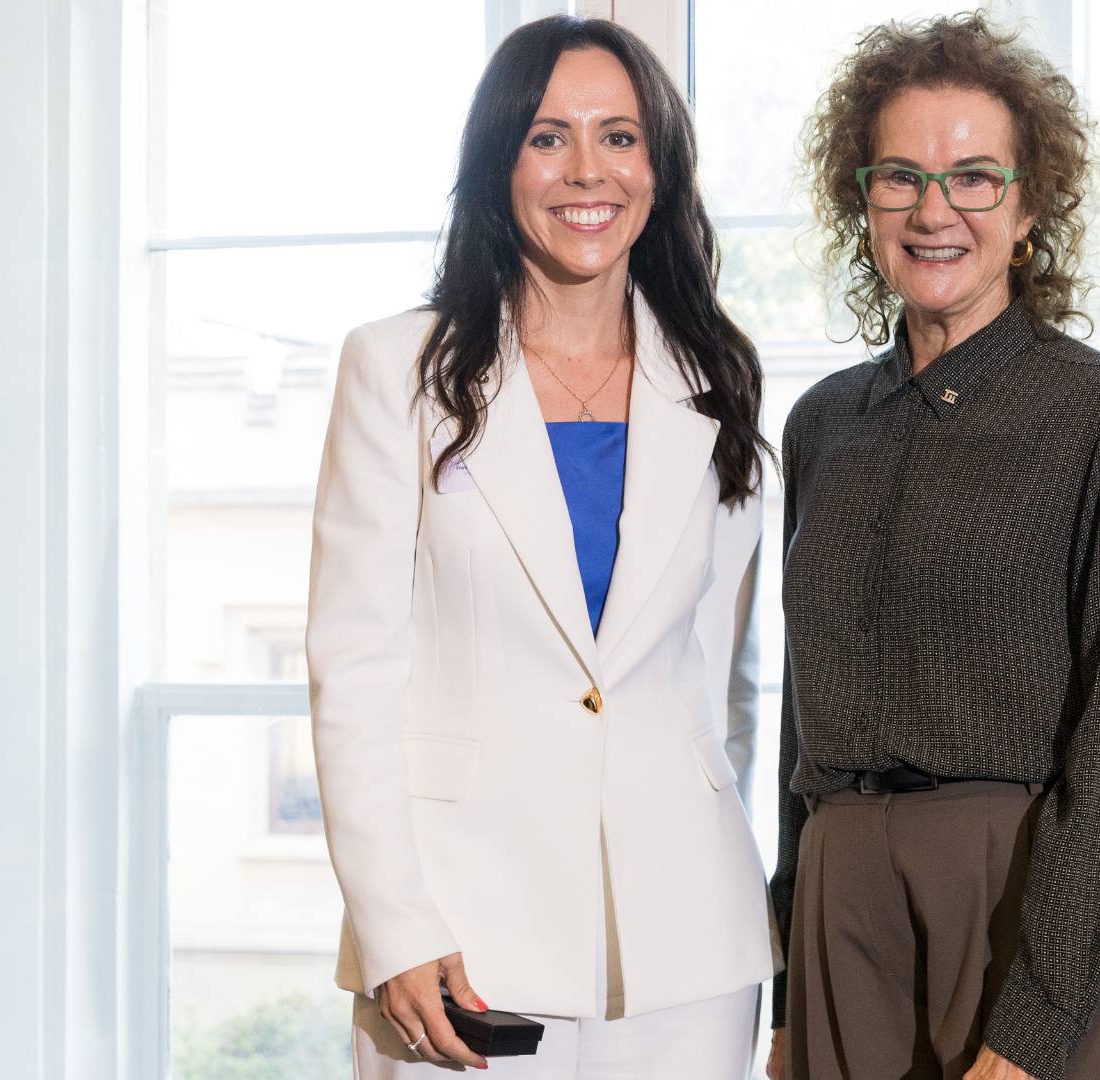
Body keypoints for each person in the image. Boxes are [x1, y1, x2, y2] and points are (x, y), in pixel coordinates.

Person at [305, 15, 774, 1077]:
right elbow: (356, 668)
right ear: (498, 162)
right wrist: (394, 924)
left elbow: (713, 677)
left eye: (619, 136)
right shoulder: (395, 370)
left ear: (660, 166)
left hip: (685, 937)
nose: (585, 170)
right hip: (459, 929)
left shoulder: (721, 376)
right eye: (547, 136)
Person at [768, 13, 1100, 1080]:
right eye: (901, 177)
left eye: (973, 178)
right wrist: (789, 990)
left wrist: (1038, 1016)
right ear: (859, 197)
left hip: (1033, 897)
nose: (933, 211)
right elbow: (797, 717)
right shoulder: (824, 424)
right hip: (843, 906)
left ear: (1030, 201)